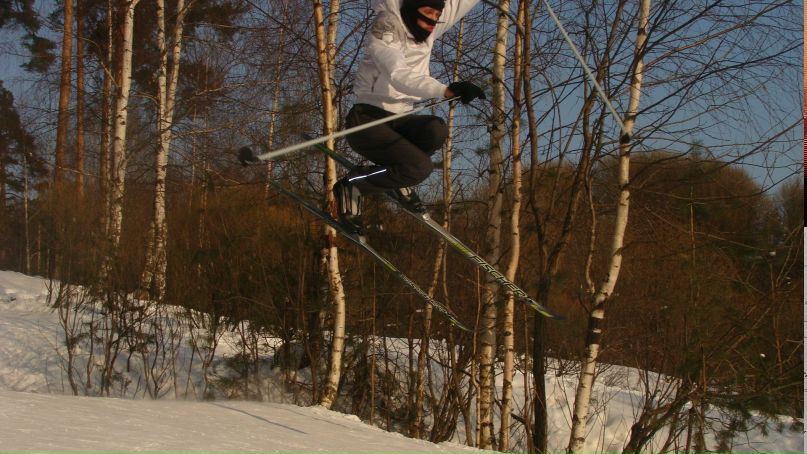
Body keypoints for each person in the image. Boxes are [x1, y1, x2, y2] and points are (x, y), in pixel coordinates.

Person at [333, 0, 486, 234]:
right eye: (427, 13)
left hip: (399, 121)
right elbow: (397, 74)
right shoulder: (387, 28)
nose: (433, 21)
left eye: (437, 14)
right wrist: (445, 90)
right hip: (367, 122)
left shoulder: (428, 31)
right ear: (411, 8)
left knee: (436, 129)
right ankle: (353, 185)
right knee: (419, 168)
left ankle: (398, 177)